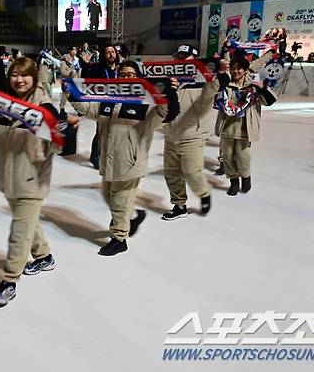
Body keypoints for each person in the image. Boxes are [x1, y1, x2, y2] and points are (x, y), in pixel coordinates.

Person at [0, 57, 62, 306]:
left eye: (25, 75)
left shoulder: (44, 105)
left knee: (19, 232)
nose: (19, 80)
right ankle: (44, 256)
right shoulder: (2, 104)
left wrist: (55, 128)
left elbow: (55, 145)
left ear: (34, 77)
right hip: (8, 176)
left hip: (32, 179)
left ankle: (9, 281)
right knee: (27, 220)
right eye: (15, 74)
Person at [68, 61, 180, 256]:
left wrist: (169, 93)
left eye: (130, 75)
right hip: (109, 161)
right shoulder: (107, 100)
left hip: (130, 162)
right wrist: (72, 93)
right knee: (108, 196)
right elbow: (88, 109)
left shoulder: (148, 104)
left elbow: (165, 112)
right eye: (122, 74)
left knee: (119, 201)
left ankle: (119, 239)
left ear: (138, 78)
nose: (126, 78)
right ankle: (134, 215)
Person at [161, 44, 222, 221]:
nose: (179, 60)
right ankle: (179, 205)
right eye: (177, 57)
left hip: (193, 134)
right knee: (171, 173)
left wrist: (220, 69)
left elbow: (217, 84)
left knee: (191, 171)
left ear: (195, 61)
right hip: (171, 133)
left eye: (184, 57)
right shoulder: (168, 81)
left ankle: (203, 193)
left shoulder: (206, 82)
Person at [214, 56, 276, 195]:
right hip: (227, 127)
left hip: (244, 129)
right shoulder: (225, 85)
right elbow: (215, 98)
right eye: (233, 68)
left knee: (243, 157)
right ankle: (234, 182)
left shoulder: (253, 87)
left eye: (239, 68)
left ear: (245, 70)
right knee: (227, 157)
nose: (235, 71)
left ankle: (246, 177)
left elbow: (270, 100)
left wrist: (262, 87)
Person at [79, 44, 121, 169]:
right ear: (104, 55)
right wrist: (85, 65)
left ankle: (111, 154)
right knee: (101, 131)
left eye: (113, 52)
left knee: (116, 130)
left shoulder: (121, 69)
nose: (111, 54)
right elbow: (86, 80)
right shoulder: (99, 68)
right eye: (108, 52)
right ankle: (95, 156)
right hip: (103, 104)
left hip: (119, 104)